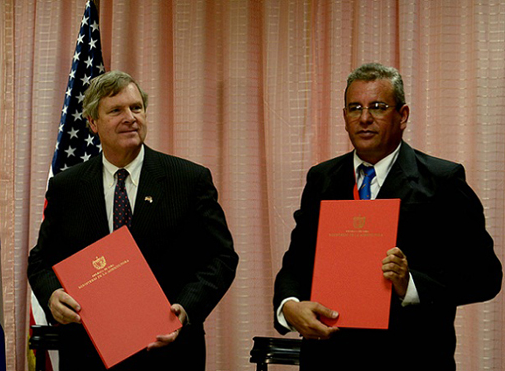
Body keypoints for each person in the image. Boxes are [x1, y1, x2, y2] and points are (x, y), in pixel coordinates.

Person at [273, 63, 502, 370]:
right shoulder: (322, 179)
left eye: (378, 107)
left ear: (403, 115)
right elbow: (296, 262)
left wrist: (410, 284)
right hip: (329, 357)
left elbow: (486, 277)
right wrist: (289, 307)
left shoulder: (442, 180)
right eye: (355, 108)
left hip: (411, 358)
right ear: (344, 118)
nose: (364, 118)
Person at [28, 70, 238, 371]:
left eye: (136, 108)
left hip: (169, 352)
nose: (130, 117)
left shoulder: (189, 180)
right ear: (92, 123)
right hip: (89, 353)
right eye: (116, 110)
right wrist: (51, 294)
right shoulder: (67, 186)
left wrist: (186, 308)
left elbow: (222, 257)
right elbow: (41, 259)